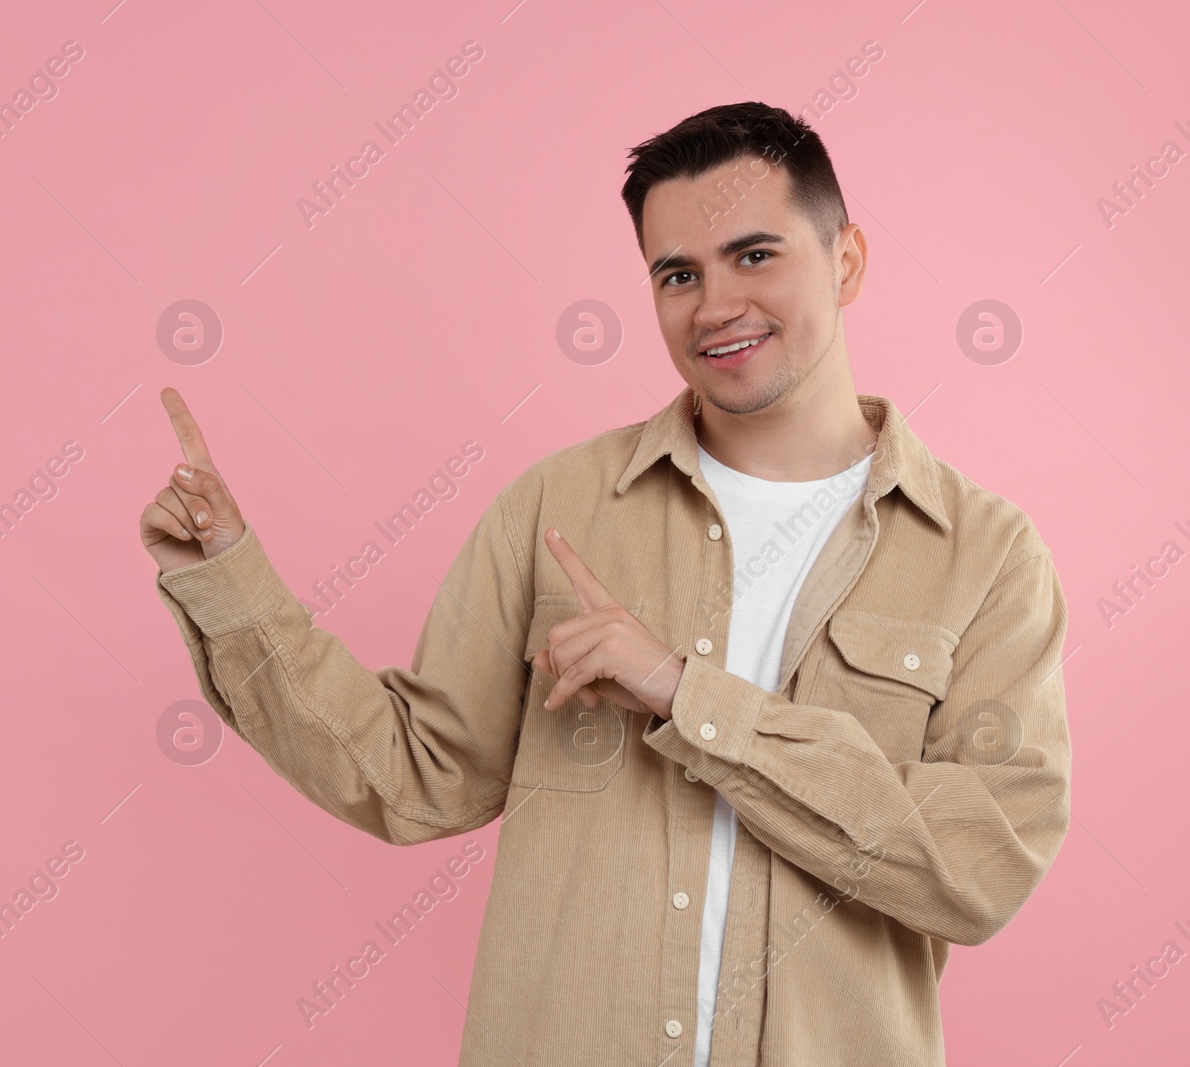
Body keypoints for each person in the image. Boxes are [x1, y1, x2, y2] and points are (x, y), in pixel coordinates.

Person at [142, 101, 1071, 1067]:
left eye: (755, 255)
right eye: (678, 273)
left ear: (846, 260)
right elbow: (416, 777)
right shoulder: (556, 508)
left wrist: (685, 694)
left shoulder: (987, 556)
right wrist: (229, 580)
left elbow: (981, 866)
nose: (714, 305)